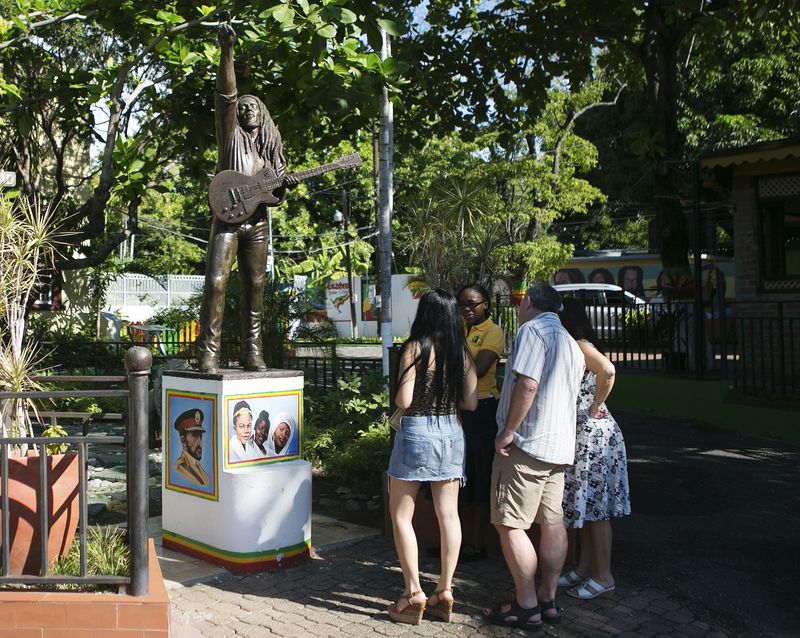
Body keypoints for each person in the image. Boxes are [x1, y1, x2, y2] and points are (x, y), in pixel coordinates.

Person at [197, 19, 298, 374]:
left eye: (252, 105)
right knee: (216, 282)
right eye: (242, 106)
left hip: (257, 224)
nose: (245, 108)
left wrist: (284, 187)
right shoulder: (231, 138)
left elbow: (274, 195)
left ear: (264, 115)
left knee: (255, 285)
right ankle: (209, 353)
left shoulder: (270, 154)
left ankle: (252, 352)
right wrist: (227, 51)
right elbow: (225, 96)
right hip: (226, 219)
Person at [484, 283, 584, 630]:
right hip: (559, 448)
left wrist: (509, 429)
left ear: (527, 302)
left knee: (509, 523)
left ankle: (526, 605)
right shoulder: (571, 342)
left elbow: (528, 384)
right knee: (551, 522)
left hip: (527, 445)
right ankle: (547, 598)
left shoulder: (531, 330)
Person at [387, 289, 478, 625]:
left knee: (400, 515)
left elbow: (404, 400)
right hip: (451, 433)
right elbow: (470, 403)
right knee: (448, 516)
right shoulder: (461, 352)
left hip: (416, 431)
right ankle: (445, 590)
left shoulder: (415, 347)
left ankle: (413, 593)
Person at [557, 298, 631, 599]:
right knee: (586, 503)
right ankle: (585, 567)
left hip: (593, 435)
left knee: (597, 507)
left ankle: (604, 575)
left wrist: (595, 405)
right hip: (583, 433)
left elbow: (608, 370)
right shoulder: (574, 345)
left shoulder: (580, 345)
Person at [456, 283, 505, 561]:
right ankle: (455, 541)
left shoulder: (492, 332)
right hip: (459, 408)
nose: (466, 309)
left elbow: (479, 368)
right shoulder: (461, 329)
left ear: (485, 303)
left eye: (472, 303)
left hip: (483, 408)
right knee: (459, 477)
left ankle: (476, 543)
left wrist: (455, 349)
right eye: (462, 304)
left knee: (480, 475)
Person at [173, 409, 209, 486]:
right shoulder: (181, 467)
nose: (200, 443)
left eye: (200, 436)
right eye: (195, 435)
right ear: (183, 440)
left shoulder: (196, 464)